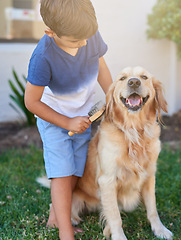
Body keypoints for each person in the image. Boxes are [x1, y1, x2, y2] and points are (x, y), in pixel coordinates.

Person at [24, 0, 112, 239]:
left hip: (82, 118)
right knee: (62, 173)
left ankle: (56, 213)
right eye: (75, 41)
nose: (83, 44)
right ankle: (65, 232)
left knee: (75, 168)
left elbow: (101, 67)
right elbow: (32, 102)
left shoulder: (87, 33)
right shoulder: (43, 57)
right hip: (55, 120)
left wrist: (112, 94)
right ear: (50, 33)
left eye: (86, 37)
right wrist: (66, 123)